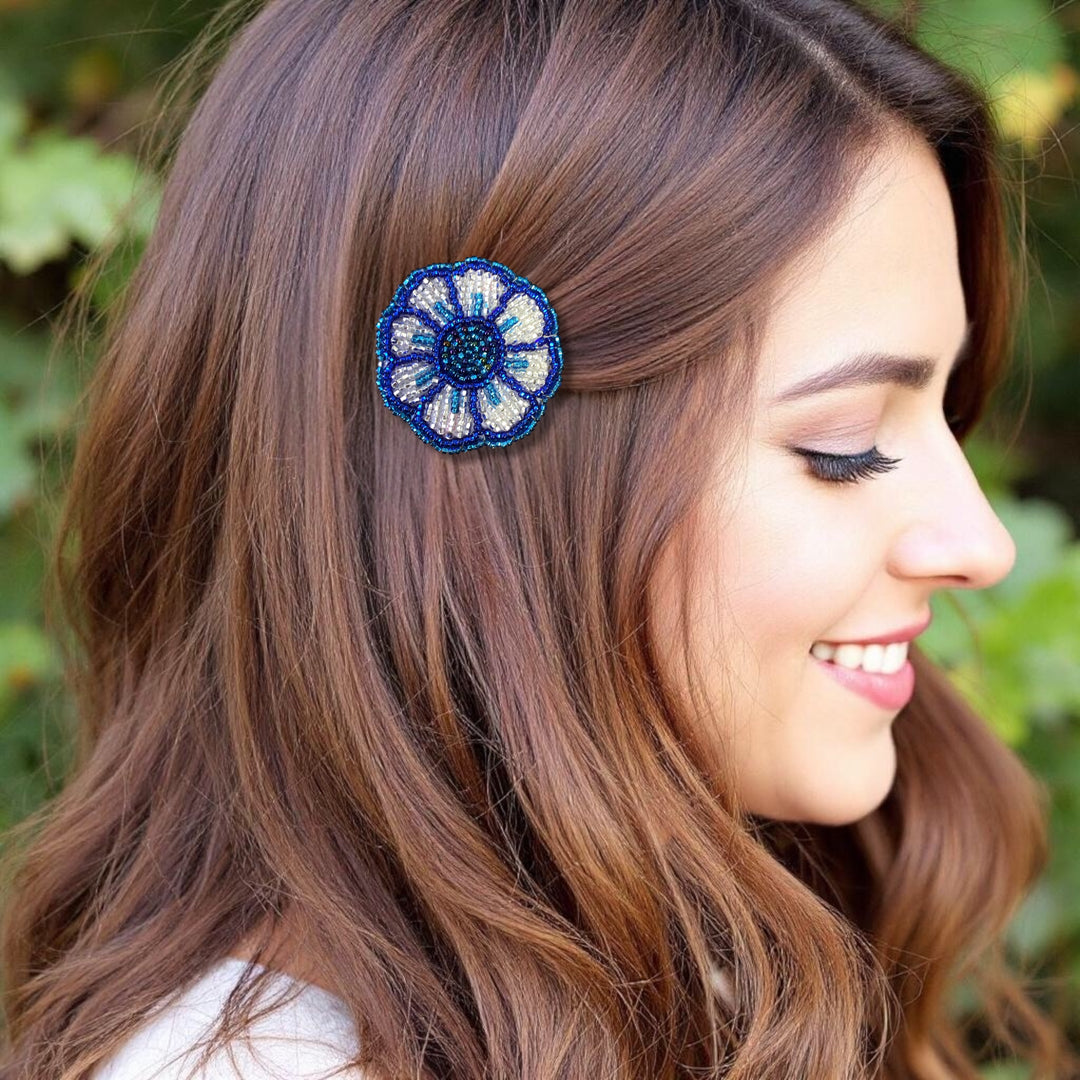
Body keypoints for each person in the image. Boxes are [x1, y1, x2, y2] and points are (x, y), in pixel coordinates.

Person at [0, 0, 1075, 1077]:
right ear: (485, 499)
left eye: (945, 410)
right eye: (843, 447)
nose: (980, 544)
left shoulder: (705, 984)